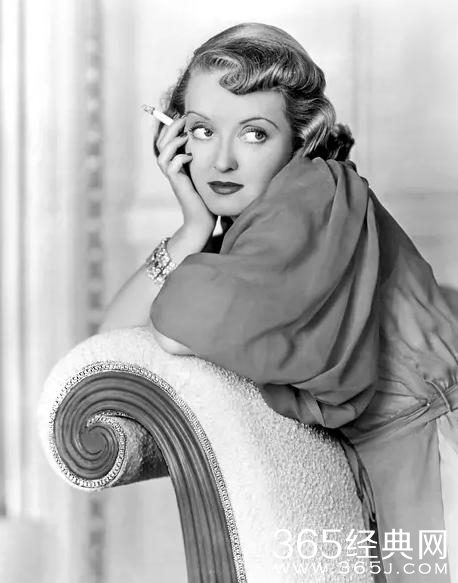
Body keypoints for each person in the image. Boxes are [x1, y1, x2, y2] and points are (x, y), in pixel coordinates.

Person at [100, 22, 458, 582]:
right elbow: (112, 343)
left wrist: (196, 245)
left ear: (299, 140)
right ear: (175, 138)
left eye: (254, 134)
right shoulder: (254, 231)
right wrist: (192, 228)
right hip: (405, 457)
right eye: (202, 130)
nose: (221, 161)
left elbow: (176, 325)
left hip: (436, 453)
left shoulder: (312, 195)